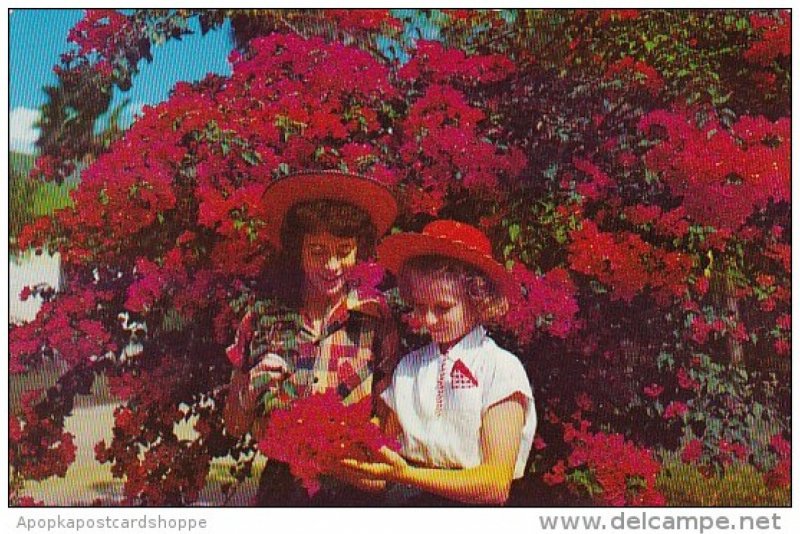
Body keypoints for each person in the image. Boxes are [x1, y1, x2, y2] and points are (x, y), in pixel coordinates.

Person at [223, 171, 399, 506]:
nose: (332, 265)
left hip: (352, 487)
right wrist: (249, 393)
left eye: (344, 251)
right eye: (317, 251)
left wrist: (351, 446)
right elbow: (233, 425)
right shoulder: (262, 317)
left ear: (359, 250)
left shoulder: (377, 318)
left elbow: (389, 420)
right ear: (297, 250)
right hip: (283, 489)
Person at [342, 220, 536, 505]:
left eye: (443, 308)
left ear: (478, 301)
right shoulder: (409, 368)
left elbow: (495, 485)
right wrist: (337, 456)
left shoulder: (500, 369)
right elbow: (381, 472)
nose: (428, 320)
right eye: (421, 307)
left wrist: (406, 475)